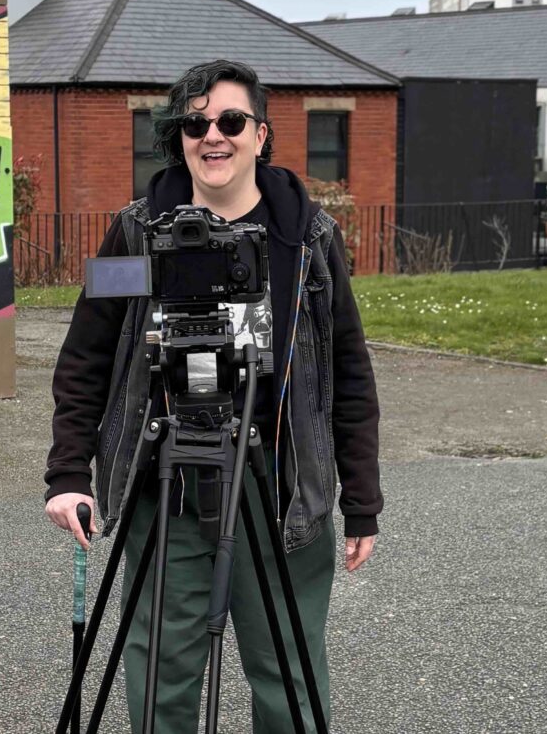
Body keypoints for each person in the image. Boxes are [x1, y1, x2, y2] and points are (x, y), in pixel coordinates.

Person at [44, 59, 382, 733]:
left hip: (279, 482)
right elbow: (86, 353)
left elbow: (347, 368)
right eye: (195, 125)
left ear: (261, 134)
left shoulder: (309, 239)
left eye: (230, 120)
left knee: (289, 672)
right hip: (165, 480)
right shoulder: (136, 232)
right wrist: (68, 472)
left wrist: (362, 501)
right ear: (180, 138)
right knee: (159, 669)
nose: (213, 136)